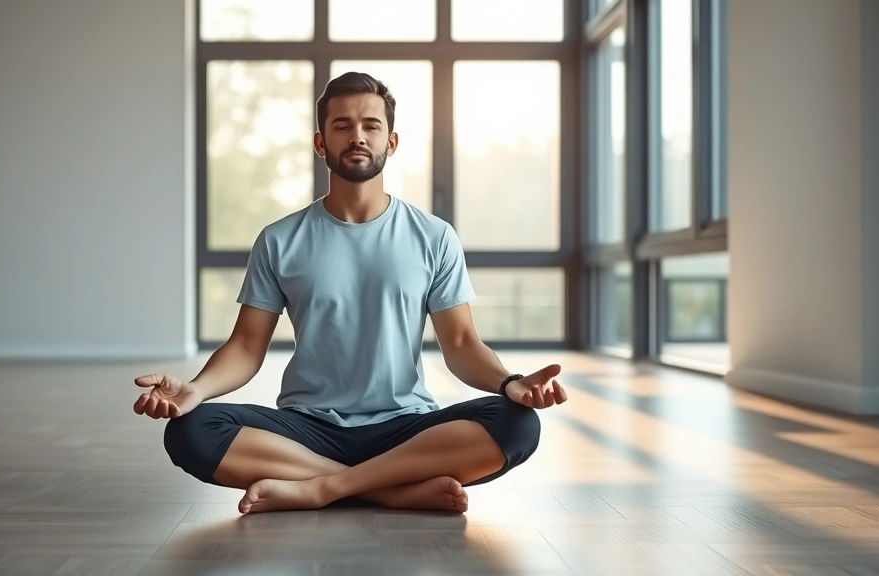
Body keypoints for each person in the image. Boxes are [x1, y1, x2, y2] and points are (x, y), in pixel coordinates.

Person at [132, 72, 568, 515]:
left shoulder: (434, 237)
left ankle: (320, 488)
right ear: (321, 144)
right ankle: (390, 489)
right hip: (307, 427)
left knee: (517, 424)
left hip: (408, 428)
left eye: (370, 125)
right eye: (341, 126)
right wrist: (196, 388)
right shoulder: (280, 239)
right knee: (191, 429)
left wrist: (510, 383)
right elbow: (246, 346)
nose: (357, 136)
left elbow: (461, 344)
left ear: (391, 142)